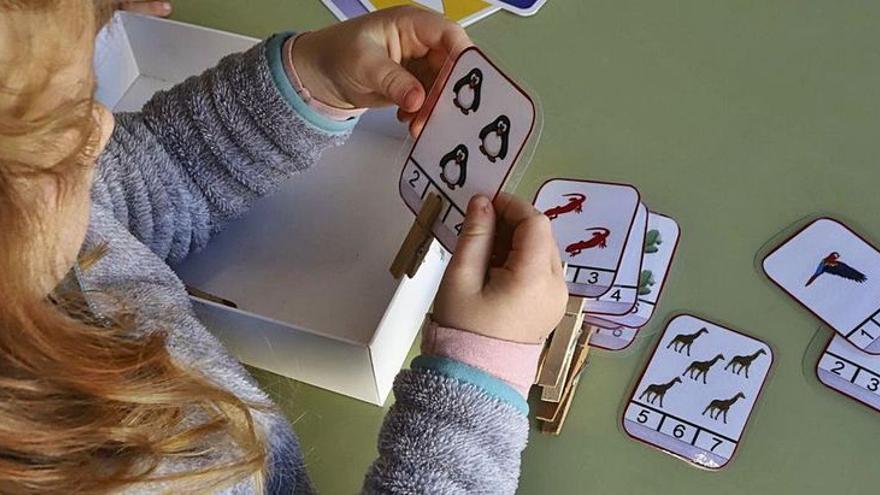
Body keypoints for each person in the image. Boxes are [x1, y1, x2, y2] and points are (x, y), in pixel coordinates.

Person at [0, 1, 567, 493]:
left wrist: (309, 82)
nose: (101, 127)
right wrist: (482, 373)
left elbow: (138, 184)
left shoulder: (40, 227)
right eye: (66, 126)